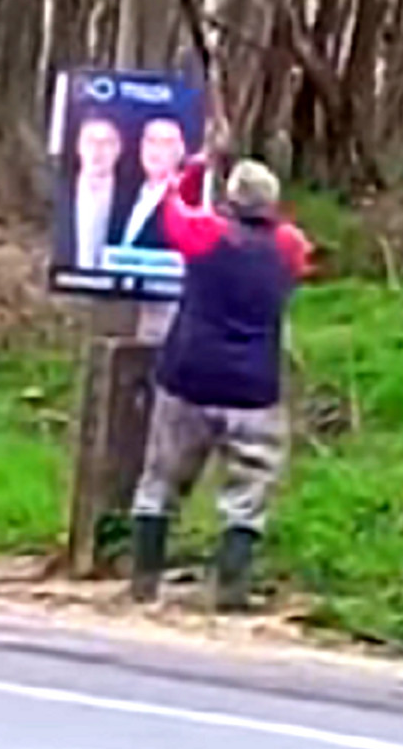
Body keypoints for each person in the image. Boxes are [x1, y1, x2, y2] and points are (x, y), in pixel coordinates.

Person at [128, 152, 312, 612]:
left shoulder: (206, 236)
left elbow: (174, 211)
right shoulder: (288, 246)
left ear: (230, 200)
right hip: (253, 388)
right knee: (248, 490)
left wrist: (192, 170)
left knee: (161, 481)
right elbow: (301, 261)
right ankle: (230, 587)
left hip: (188, 376)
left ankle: (144, 582)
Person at [55, 114, 124, 270]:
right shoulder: (56, 190)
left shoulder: (132, 199)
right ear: (78, 146)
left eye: (106, 143)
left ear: (118, 149)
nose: (97, 150)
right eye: (90, 141)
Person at [114, 116, 187, 250]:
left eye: (166, 142)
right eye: (151, 140)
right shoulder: (121, 196)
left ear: (181, 151)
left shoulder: (186, 202)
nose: (156, 149)